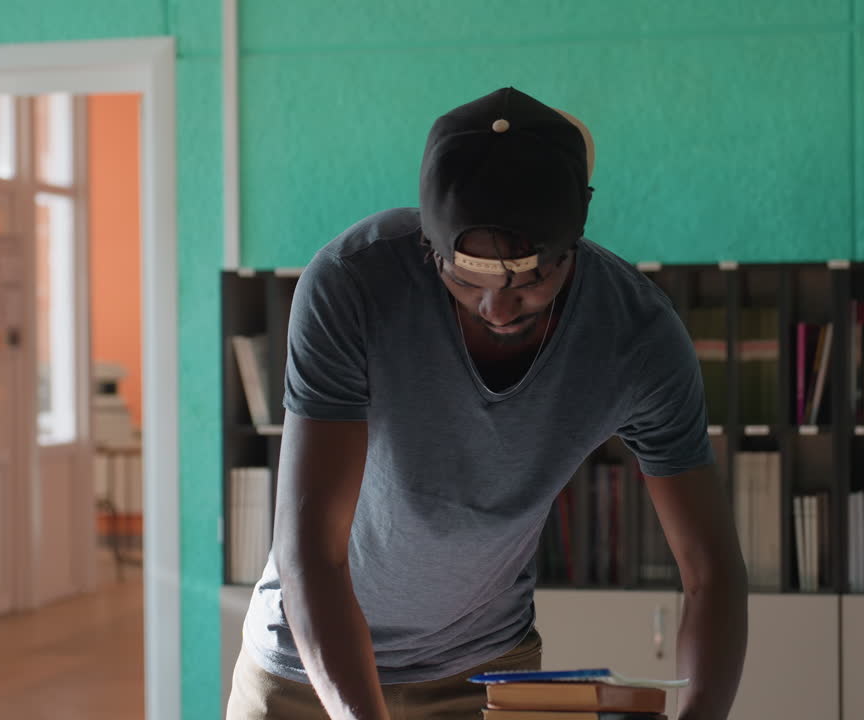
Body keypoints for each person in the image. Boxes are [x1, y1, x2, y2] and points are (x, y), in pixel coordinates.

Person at [227, 86, 748, 720]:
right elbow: (313, 548)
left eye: (529, 282)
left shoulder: (636, 338)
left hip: (482, 675)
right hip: (305, 669)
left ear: (573, 243)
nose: (498, 308)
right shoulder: (351, 285)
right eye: (465, 280)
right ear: (431, 244)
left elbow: (710, 568)